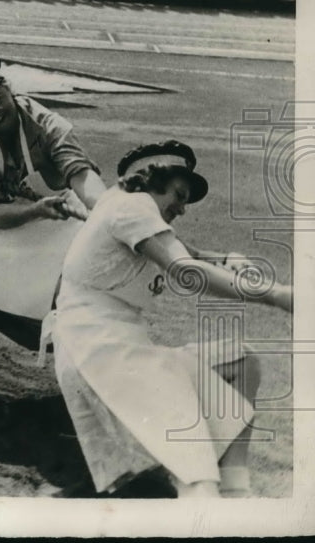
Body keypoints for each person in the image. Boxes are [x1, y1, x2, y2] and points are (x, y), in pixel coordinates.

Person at [53, 140, 292, 497]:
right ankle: (210, 498)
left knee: (243, 362)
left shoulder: (128, 208)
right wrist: (279, 296)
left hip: (115, 345)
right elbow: (184, 270)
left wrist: (226, 257)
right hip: (100, 352)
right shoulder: (132, 208)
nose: (182, 208)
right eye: (179, 195)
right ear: (151, 179)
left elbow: (189, 252)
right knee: (196, 476)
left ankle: (236, 494)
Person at [0, 57, 106, 421]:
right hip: (17, 222)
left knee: (80, 292)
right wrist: (36, 210)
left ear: (10, 91)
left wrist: (107, 214)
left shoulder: (47, 122)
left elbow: (80, 175)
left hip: (66, 219)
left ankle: (97, 386)